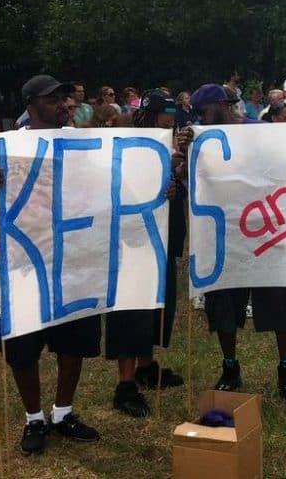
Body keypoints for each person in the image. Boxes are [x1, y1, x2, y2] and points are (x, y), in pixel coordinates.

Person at [177, 83, 286, 398]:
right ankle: (230, 366)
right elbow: (186, 176)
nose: (197, 118)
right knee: (222, 302)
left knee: (281, 302)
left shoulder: (262, 131)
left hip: (269, 230)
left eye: (202, 111)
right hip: (227, 235)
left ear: (223, 104)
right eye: (194, 113)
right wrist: (185, 151)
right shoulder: (201, 140)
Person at [2, 74, 101, 455]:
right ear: (30, 106)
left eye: (65, 98)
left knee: (72, 341)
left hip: (73, 258)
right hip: (23, 261)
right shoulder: (9, 147)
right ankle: (34, 418)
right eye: (52, 99)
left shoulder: (84, 145)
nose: (63, 104)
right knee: (23, 345)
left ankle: (63, 412)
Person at [106, 90, 187, 418]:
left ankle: (146, 365)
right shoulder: (131, 142)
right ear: (154, 114)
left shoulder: (170, 142)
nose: (173, 118)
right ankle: (125, 384)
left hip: (162, 235)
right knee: (131, 307)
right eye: (168, 113)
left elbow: (176, 183)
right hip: (133, 239)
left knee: (158, 302)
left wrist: (175, 178)